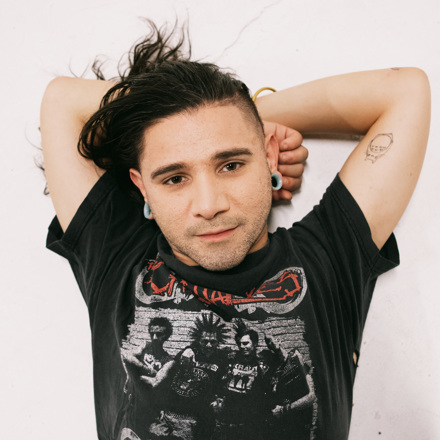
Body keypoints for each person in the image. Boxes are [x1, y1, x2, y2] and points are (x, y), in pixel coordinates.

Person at [40, 21, 430, 440]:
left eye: (231, 165)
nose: (210, 205)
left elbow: (405, 91)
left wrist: (241, 114)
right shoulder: (115, 257)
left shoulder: (327, 259)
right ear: (143, 188)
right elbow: (63, 101)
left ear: (268, 158)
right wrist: (230, 120)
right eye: (175, 178)